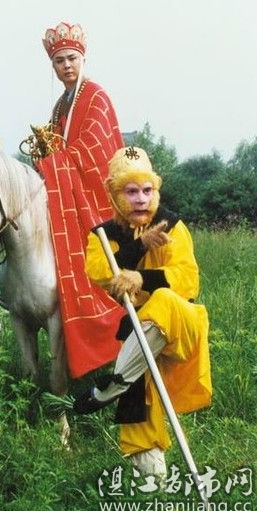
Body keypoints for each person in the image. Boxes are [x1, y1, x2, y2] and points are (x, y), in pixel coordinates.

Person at [74, 146, 212, 478]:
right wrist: (139, 246)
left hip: (179, 323)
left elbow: (187, 280)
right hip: (140, 333)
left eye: (147, 190)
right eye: (131, 191)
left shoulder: (172, 226)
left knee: (162, 298)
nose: (141, 200)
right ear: (113, 193)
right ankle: (154, 489)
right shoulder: (102, 236)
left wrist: (141, 278)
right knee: (139, 413)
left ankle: (114, 384)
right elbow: (102, 272)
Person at [28, 22, 125, 379]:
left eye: (71, 58)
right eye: (59, 61)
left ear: (83, 59)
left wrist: (54, 163)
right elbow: (56, 148)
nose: (66, 65)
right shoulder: (59, 106)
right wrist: (42, 160)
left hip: (93, 196)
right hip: (67, 190)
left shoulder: (96, 96)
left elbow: (96, 150)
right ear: (52, 66)